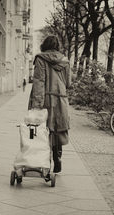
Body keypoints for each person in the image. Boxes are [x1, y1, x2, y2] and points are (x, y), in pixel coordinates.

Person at [28, 35, 71, 173]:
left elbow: (39, 82)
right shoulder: (65, 61)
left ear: (44, 45)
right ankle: (58, 158)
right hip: (61, 100)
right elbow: (68, 83)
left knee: (43, 130)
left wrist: (36, 105)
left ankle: (46, 161)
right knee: (58, 130)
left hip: (45, 100)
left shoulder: (41, 59)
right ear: (57, 46)